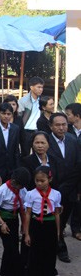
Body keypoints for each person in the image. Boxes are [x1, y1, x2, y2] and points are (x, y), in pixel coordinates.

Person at [47, 112, 78, 263]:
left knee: (64, 218)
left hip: (70, 188)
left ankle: (58, 240)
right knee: (53, 219)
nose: (61, 128)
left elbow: (78, 165)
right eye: (57, 125)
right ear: (51, 126)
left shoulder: (73, 140)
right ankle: (59, 245)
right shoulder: (45, 141)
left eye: (64, 124)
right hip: (53, 188)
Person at [0, 167, 30, 276]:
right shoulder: (2, 190)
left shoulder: (23, 191)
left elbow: (23, 209)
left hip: (14, 219)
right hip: (3, 218)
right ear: (14, 182)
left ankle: (6, 272)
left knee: (13, 246)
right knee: (10, 248)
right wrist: (2, 223)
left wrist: (24, 225)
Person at [23, 166, 62, 276]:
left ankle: (49, 271)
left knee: (49, 251)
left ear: (50, 180)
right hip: (36, 225)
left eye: (42, 181)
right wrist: (26, 234)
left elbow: (57, 214)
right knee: (35, 251)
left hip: (50, 225)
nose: (39, 183)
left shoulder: (56, 194)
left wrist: (58, 232)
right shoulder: (31, 194)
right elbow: (28, 213)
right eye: (37, 181)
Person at [0, 102, 21, 184]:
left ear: (12, 115)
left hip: (11, 169)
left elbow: (16, 151)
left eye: (8, 114)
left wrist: (17, 169)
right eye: (3, 113)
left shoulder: (15, 129)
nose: (6, 116)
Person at [18, 76, 44, 156]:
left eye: (42, 87)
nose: (41, 89)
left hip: (38, 130)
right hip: (26, 131)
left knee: (38, 153)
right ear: (31, 87)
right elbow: (19, 117)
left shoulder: (42, 101)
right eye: (38, 87)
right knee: (25, 153)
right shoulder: (23, 101)